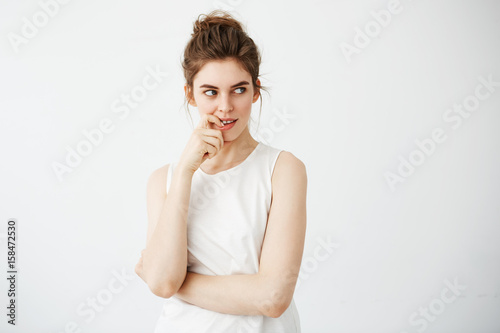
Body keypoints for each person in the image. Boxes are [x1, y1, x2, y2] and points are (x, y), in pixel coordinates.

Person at [135, 9, 307, 332]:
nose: (225, 107)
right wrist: (186, 171)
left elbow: (273, 297)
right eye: (210, 92)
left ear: (256, 91)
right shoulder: (165, 180)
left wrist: (180, 285)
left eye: (239, 90)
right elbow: (160, 281)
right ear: (190, 94)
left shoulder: (283, 171)